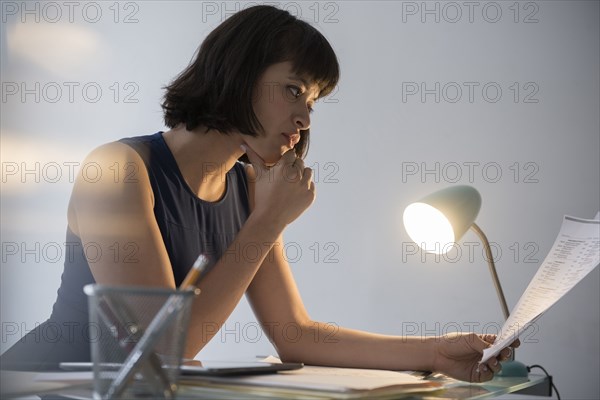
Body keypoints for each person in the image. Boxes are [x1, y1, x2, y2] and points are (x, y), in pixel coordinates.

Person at [0, 5, 517, 382]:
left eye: (314, 101)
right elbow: (159, 349)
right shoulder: (116, 170)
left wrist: (435, 352)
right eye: (294, 90)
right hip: (46, 388)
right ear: (241, 73)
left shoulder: (248, 189)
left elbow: (294, 333)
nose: (305, 117)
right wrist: (268, 222)